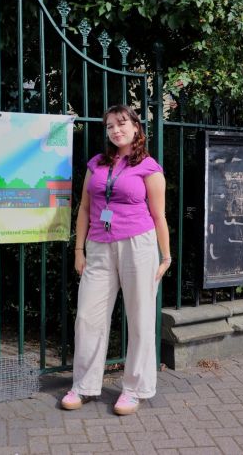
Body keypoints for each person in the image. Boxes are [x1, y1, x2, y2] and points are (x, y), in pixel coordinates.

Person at [60, 104, 171, 415]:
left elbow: (159, 216)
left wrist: (166, 256)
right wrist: (79, 250)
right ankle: (84, 385)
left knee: (140, 318)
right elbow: (83, 208)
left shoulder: (149, 167)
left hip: (138, 245)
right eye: (110, 126)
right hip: (98, 244)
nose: (115, 130)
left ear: (136, 128)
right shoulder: (96, 163)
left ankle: (134, 389)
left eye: (121, 124)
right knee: (87, 317)